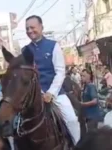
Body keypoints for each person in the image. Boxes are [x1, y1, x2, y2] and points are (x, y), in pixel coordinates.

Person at [25, 15, 80, 145]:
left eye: (32, 27)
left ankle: (78, 145)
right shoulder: (25, 50)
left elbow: (60, 72)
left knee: (72, 119)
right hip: (33, 95)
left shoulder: (53, 46)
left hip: (55, 94)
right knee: (15, 122)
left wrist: (51, 92)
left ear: (41, 27)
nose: (29, 31)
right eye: (27, 28)